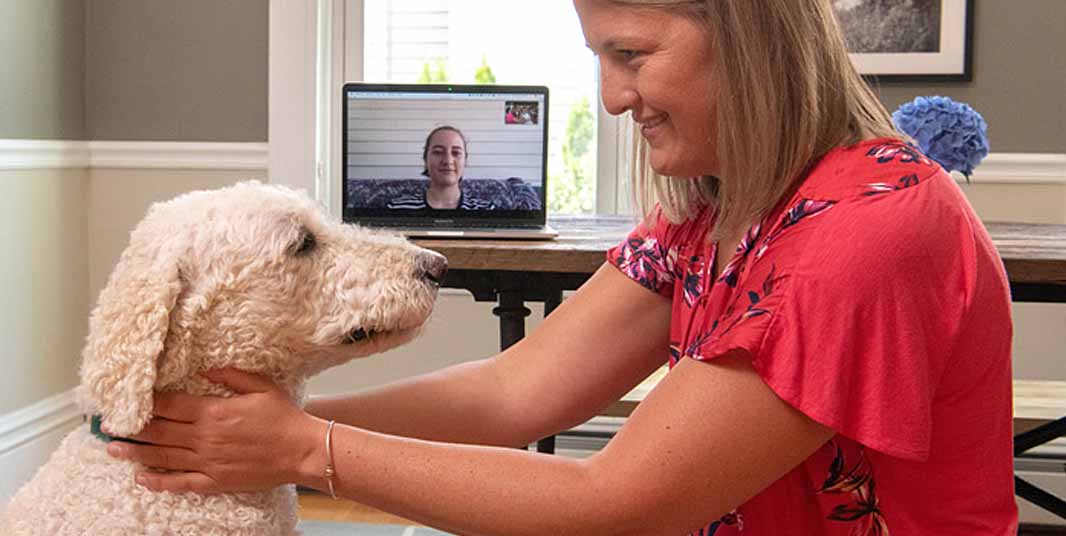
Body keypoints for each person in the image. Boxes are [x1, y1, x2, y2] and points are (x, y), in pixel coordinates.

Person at [107, 1, 1017, 534]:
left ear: (751, 34)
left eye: (631, 55)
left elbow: (622, 502)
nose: (613, 98)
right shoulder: (715, 207)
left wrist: (305, 449)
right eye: (599, 59)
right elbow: (518, 391)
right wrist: (252, 431)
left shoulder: (867, 232)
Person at [387, 125, 493, 210]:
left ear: (465, 160)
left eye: (456, 153)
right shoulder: (396, 208)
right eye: (438, 152)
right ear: (425, 159)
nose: (447, 161)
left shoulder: (487, 210)